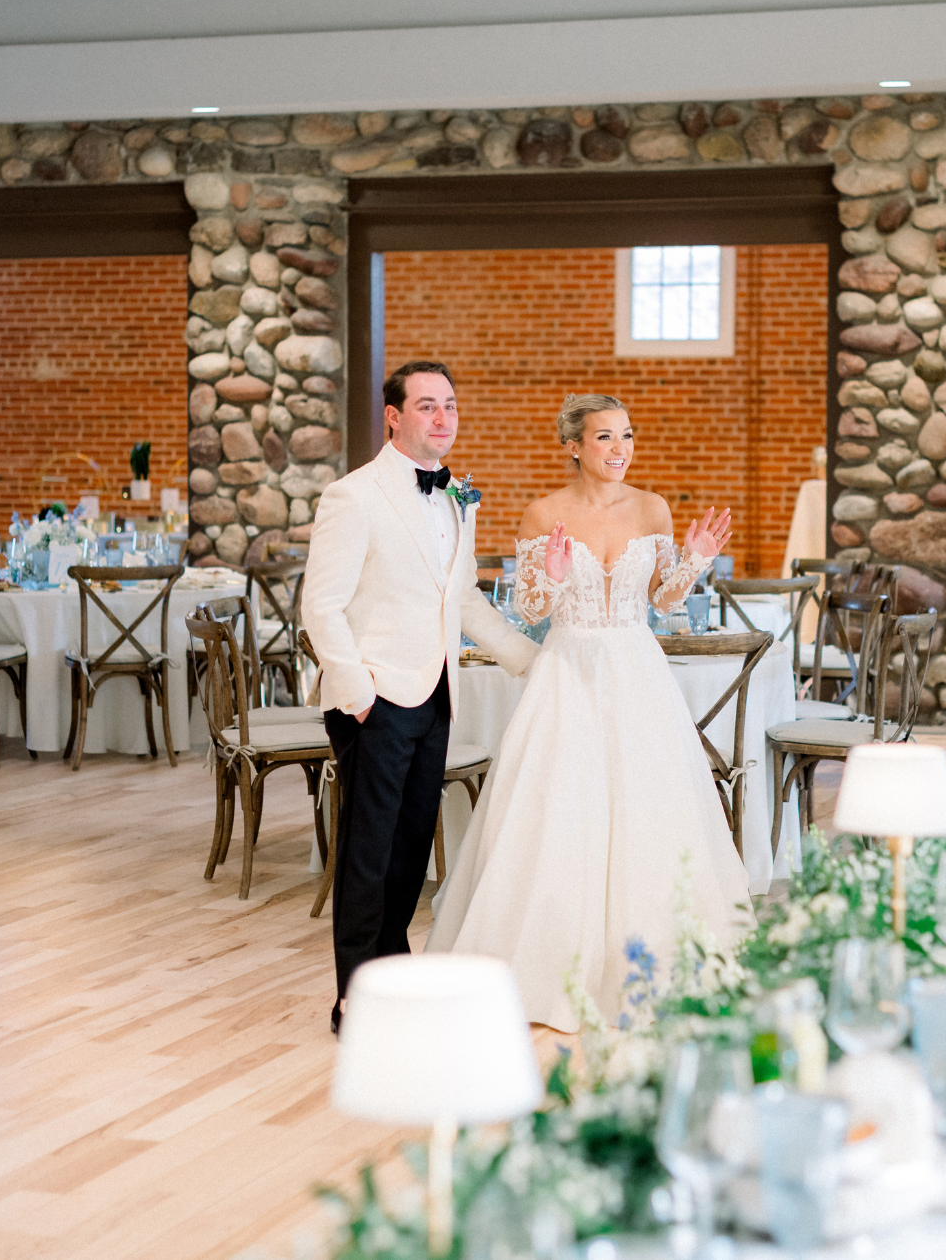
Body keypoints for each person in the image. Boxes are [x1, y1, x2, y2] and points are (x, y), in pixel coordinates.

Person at [426, 393, 754, 1032]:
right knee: (558, 809)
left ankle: (654, 964)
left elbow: (663, 600)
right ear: (573, 445)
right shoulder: (543, 512)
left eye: (627, 436)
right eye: (605, 438)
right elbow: (531, 610)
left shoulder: (653, 507)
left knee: (649, 808)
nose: (620, 450)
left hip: (636, 671)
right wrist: (546, 573)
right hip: (567, 673)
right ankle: (542, 967)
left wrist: (694, 560)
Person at [301, 360, 541, 1034]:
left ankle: (391, 972)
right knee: (367, 850)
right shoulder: (354, 496)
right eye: (428, 406)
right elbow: (321, 605)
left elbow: (461, 600)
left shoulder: (454, 499)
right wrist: (357, 692)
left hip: (436, 696)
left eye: (451, 406)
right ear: (395, 417)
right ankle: (353, 993)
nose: (443, 418)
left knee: (409, 847)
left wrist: (532, 660)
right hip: (375, 698)